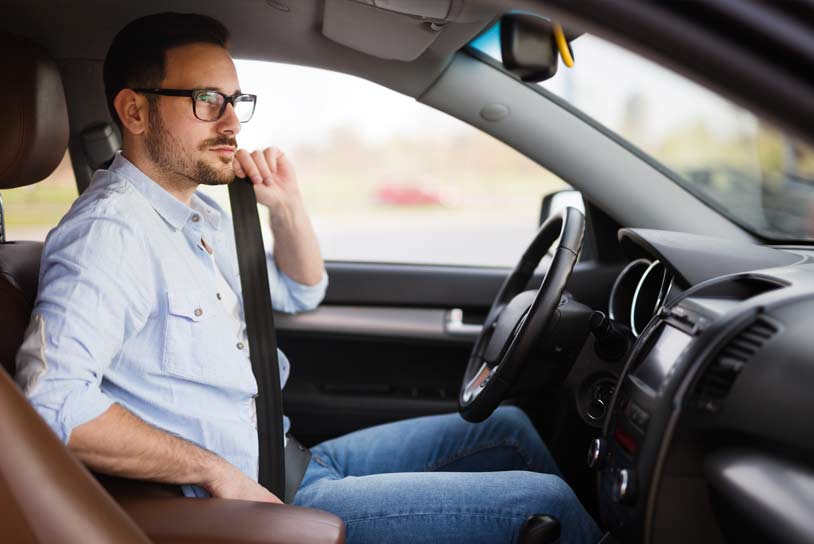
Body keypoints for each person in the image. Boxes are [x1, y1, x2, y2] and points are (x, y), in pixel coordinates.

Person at [15, 12, 600, 544]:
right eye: (206, 99)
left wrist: (287, 205)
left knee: (508, 427)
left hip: (292, 460)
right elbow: (51, 405)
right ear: (135, 112)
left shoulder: (194, 214)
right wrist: (211, 469)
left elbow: (300, 290)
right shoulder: (109, 235)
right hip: (255, 503)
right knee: (542, 503)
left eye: (235, 100)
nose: (230, 122)